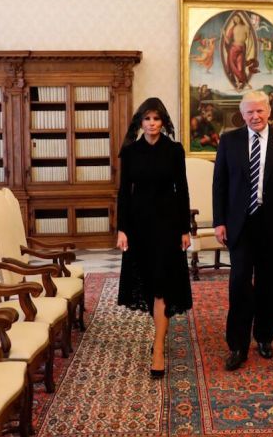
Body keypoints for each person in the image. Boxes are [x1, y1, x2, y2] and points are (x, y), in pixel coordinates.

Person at [213, 90, 273, 371]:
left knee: (269, 283)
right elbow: (220, 184)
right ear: (242, 114)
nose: (255, 116)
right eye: (249, 112)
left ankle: (264, 337)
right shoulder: (229, 140)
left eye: (259, 111)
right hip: (240, 223)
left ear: (268, 110)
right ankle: (237, 345)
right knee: (239, 281)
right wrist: (219, 221)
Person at [116, 97, 192, 379]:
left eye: (156, 119)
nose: (151, 124)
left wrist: (184, 229)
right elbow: (124, 192)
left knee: (161, 284)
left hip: (168, 225)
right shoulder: (131, 151)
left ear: (163, 122)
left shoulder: (174, 150)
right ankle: (161, 328)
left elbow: (181, 190)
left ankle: (158, 348)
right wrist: (121, 228)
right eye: (147, 119)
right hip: (138, 226)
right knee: (148, 283)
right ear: (141, 122)